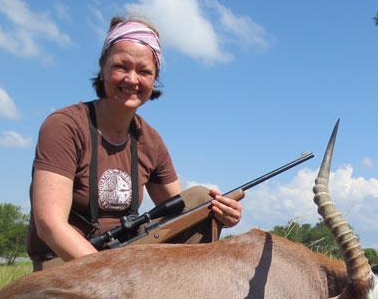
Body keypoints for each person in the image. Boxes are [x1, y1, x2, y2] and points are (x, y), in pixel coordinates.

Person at [27, 16, 243, 271]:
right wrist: (111, 274)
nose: (132, 79)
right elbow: (49, 224)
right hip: (66, 261)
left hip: (125, 255)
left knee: (200, 199)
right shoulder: (64, 125)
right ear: (103, 67)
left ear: (154, 80)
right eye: (121, 66)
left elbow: (184, 212)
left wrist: (221, 215)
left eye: (144, 71)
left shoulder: (150, 140)